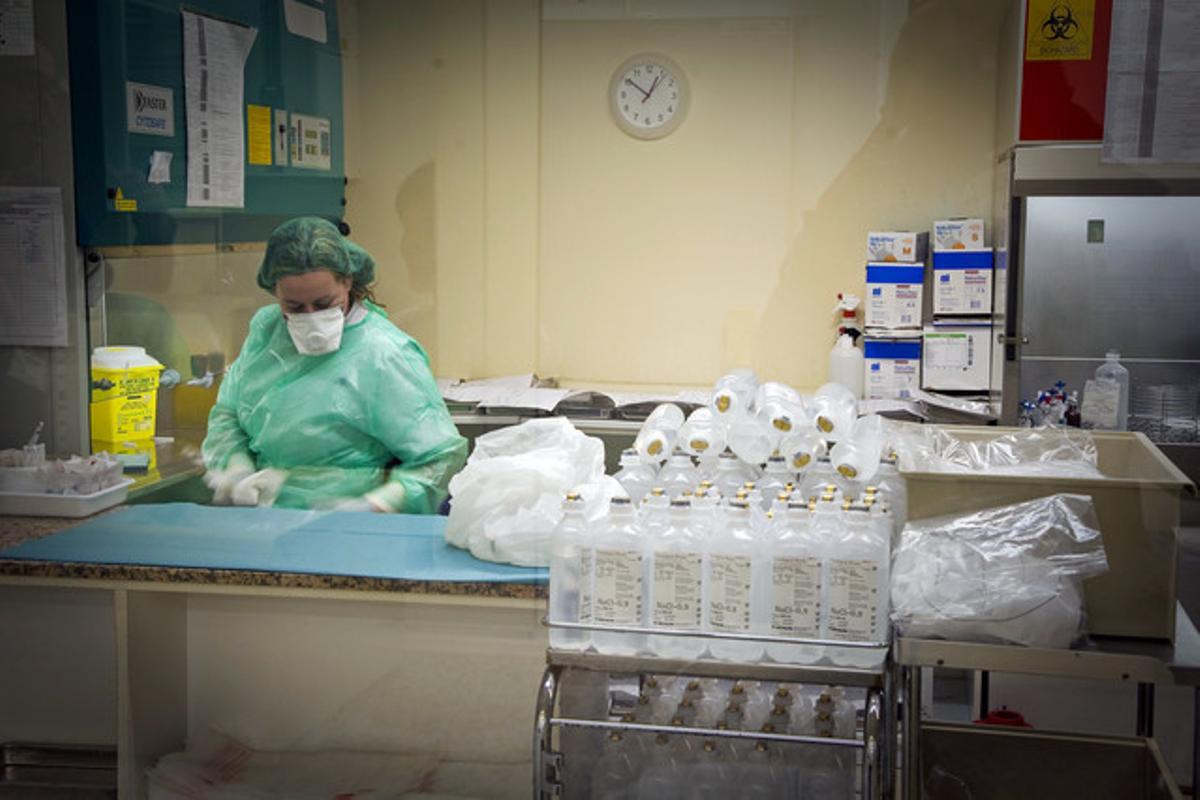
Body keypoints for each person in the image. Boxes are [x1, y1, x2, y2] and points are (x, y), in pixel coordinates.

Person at [201, 217, 466, 512]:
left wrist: (373, 506)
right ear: (274, 292)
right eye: (294, 307)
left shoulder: (383, 353)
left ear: (348, 281)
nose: (310, 316)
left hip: (353, 533)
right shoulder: (267, 330)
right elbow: (229, 413)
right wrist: (236, 468)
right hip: (266, 520)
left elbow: (440, 458)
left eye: (325, 303)